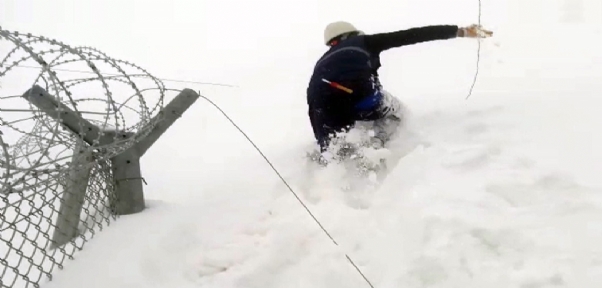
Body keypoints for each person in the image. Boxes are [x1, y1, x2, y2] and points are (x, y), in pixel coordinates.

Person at [306, 21, 493, 155]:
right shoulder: (365, 42)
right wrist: (460, 31)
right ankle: (375, 147)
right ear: (352, 34)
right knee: (396, 111)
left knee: (333, 148)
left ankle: (333, 162)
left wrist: (323, 142)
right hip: (361, 96)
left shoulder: (322, 62)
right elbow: (412, 35)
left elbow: (313, 100)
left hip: (322, 105)